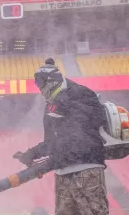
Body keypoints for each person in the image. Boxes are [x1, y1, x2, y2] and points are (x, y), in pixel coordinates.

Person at [13, 58, 109, 215]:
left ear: (50, 82)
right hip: (62, 172)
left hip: (86, 169)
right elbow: (51, 142)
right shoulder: (50, 106)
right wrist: (31, 154)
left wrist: (64, 106)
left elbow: (90, 123)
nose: (39, 89)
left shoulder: (80, 93)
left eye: (39, 84)